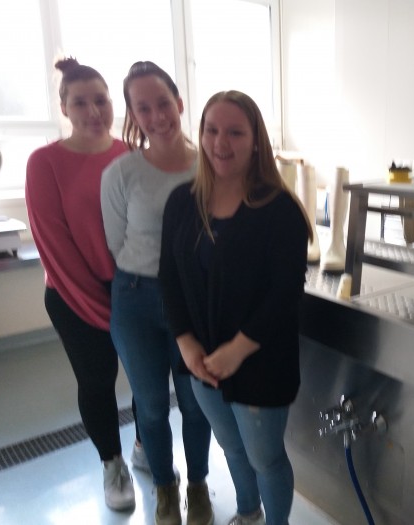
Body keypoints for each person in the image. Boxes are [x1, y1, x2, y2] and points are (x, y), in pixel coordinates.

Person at [159, 90, 312, 525]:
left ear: (256, 141)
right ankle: (248, 514)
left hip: (260, 362)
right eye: (211, 130)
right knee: (232, 447)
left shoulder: (279, 210)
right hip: (203, 361)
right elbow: (169, 277)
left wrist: (237, 350)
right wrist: (186, 344)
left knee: (266, 459)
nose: (220, 142)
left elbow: (284, 293)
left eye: (235, 132)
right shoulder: (182, 201)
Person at [100, 61, 213, 525]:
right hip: (137, 298)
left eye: (163, 103)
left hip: (196, 300)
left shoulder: (210, 165)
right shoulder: (121, 173)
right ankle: (165, 489)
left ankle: (198, 487)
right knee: (149, 405)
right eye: (142, 108)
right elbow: (116, 242)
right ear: (132, 114)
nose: (156, 115)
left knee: (196, 403)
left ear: (179, 103)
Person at [25, 57, 136, 511]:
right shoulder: (45, 162)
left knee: (147, 379)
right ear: (64, 108)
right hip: (73, 295)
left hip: (131, 288)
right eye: (80, 103)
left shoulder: (131, 155)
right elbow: (55, 244)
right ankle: (112, 463)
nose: (94, 111)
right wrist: (103, 309)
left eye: (101, 100)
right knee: (97, 381)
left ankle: (146, 445)